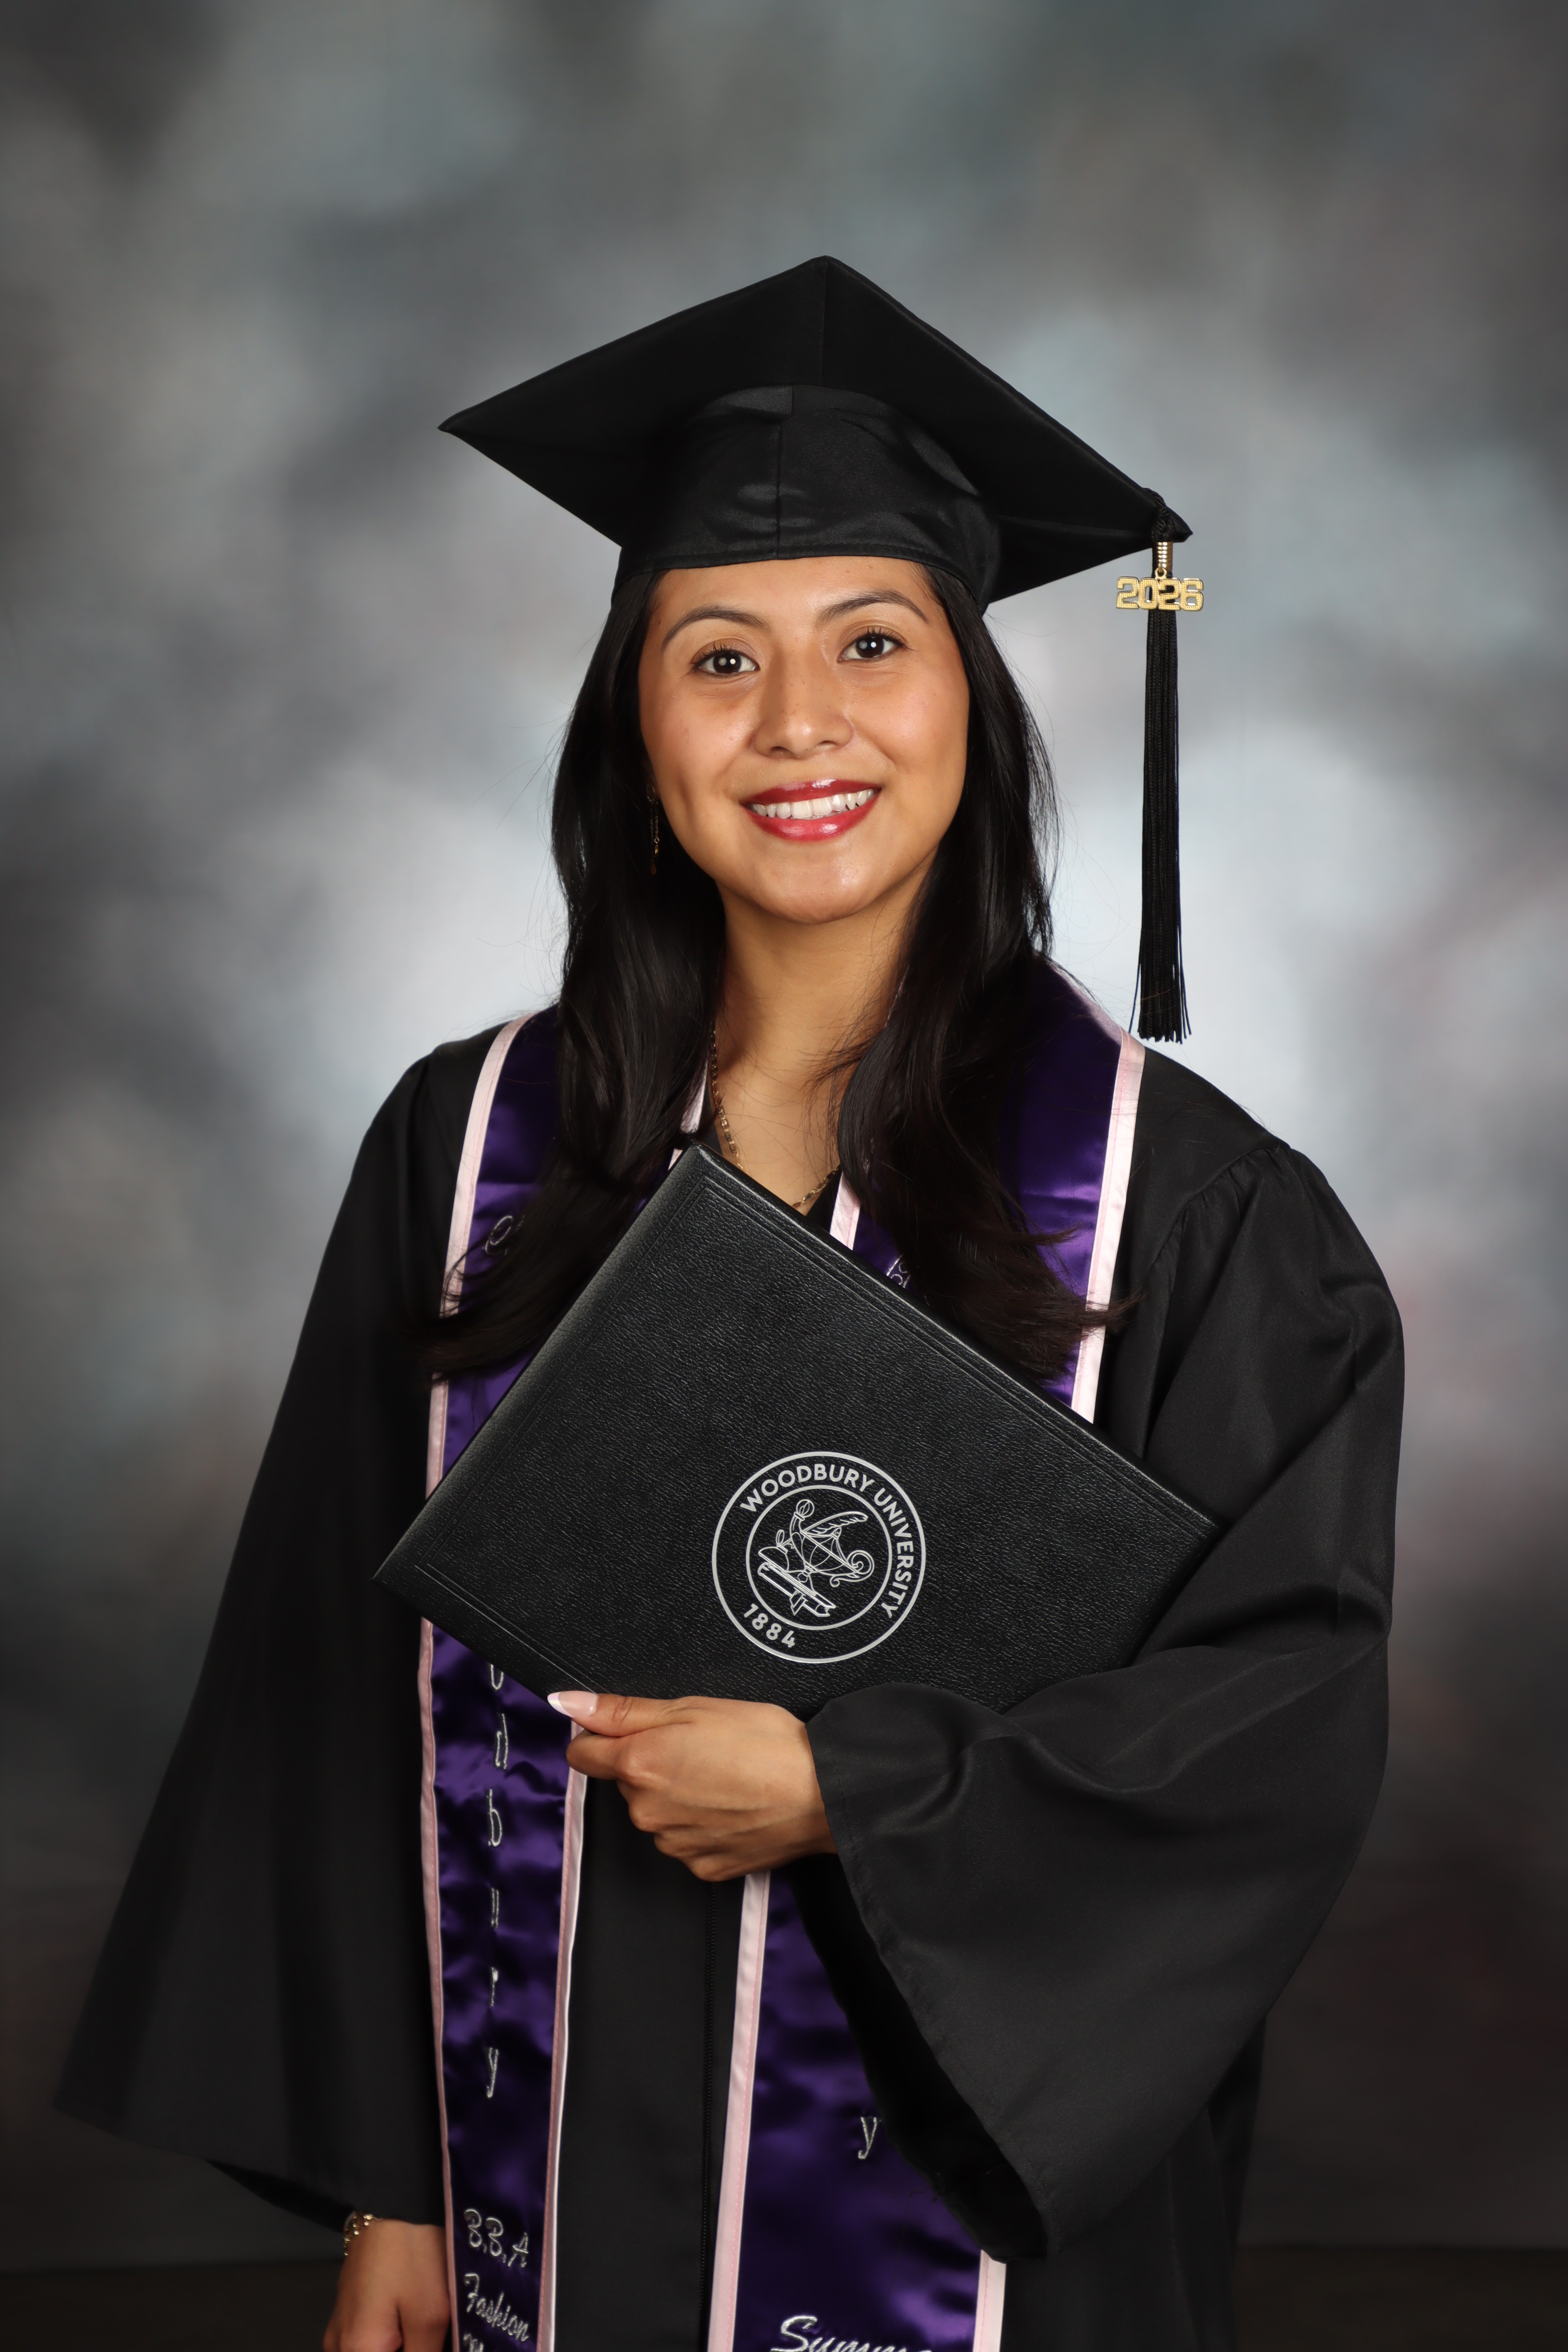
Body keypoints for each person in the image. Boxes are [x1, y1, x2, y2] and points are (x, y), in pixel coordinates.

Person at [59, 259, 1401, 2352]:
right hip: (528, 2195)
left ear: (971, 702)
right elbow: (332, 1693)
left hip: (971, 2262)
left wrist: (858, 1791)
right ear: (637, 726)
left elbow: (1275, 1718)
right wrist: (396, 2188)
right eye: (717, 659)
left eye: (872, 642)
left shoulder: (1194, 1209)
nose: (798, 726)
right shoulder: (464, 1151)